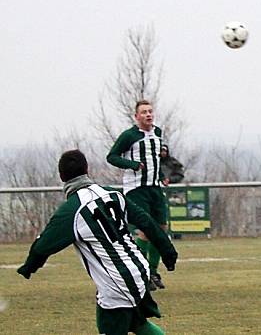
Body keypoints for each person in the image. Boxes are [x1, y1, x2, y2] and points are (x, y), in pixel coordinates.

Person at [17, 150, 177, 335]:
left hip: (117, 281)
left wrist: (29, 267)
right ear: (87, 169)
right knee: (138, 324)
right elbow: (147, 223)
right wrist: (168, 253)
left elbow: (42, 247)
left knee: (111, 328)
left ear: (61, 177)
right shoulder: (112, 194)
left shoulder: (72, 210)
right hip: (139, 269)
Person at [107, 100, 170, 290]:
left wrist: (161, 176)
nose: (148, 115)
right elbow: (112, 156)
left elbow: (154, 160)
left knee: (161, 229)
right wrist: (132, 165)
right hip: (136, 189)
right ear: (136, 116)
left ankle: (153, 272)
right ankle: (143, 274)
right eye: (144, 112)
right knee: (145, 230)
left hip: (155, 188)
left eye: (150, 111)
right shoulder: (129, 136)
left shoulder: (157, 133)